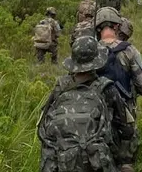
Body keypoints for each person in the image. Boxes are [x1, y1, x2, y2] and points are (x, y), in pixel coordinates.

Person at [37, 36, 134, 172]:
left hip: (62, 160)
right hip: (96, 161)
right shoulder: (106, 88)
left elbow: (43, 126)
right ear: (97, 61)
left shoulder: (61, 86)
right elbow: (126, 128)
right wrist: (124, 162)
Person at [95, 7, 142, 172]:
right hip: (124, 116)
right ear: (117, 26)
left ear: (97, 29)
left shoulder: (89, 51)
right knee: (125, 163)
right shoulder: (129, 51)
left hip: (96, 115)